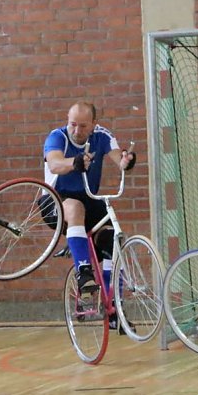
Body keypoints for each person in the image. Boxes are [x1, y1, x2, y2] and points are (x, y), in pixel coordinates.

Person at [43, 102, 136, 329]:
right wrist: (73, 163)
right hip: (55, 199)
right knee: (75, 208)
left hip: (88, 198)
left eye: (83, 126)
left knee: (111, 240)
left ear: (94, 124)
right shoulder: (57, 137)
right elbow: (54, 164)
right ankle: (83, 271)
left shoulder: (102, 136)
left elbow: (118, 158)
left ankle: (114, 308)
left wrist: (126, 162)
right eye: (72, 124)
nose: (76, 131)